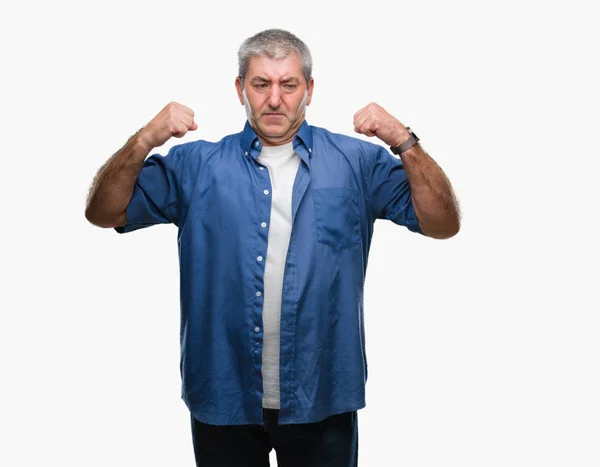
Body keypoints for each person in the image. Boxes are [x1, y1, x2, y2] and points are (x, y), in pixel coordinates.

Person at [85, 28, 460, 467]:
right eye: (261, 84)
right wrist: (144, 139)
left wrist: (403, 140)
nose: (275, 99)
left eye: (289, 84)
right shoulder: (196, 166)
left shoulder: (358, 163)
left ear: (310, 89)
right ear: (241, 88)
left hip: (323, 394)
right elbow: (103, 213)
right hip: (223, 393)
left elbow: (443, 224)